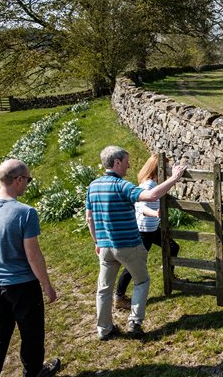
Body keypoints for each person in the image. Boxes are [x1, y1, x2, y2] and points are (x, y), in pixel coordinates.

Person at [86, 146, 186, 340]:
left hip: (105, 247)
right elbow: (151, 196)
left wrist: (96, 241)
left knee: (104, 289)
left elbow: (89, 218)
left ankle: (104, 329)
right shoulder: (121, 186)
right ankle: (134, 323)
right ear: (116, 163)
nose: (129, 165)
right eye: (126, 161)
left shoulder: (93, 186)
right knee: (142, 281)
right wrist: (174, 178)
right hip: (128, 245)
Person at [0, 159, 60, 377]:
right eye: (28, 180)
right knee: (31, 333)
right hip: (21, 286)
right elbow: (32, 255)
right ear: (18, 180)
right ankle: (33, 373)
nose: (28, 184)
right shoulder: (25, 212)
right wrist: (47, 285)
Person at [113, 155, 181, 310]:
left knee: (173, 247)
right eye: (166, 167)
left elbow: (162, 191)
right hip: (144, 230)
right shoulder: (148, 184)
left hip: (151, 228)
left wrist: (174, 178)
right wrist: (155, 213)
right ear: (158, 168)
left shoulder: (154, 182)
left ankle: (170, 275)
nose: (168, 169)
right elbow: (141, 207)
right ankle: (119, 296)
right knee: (134, 265)